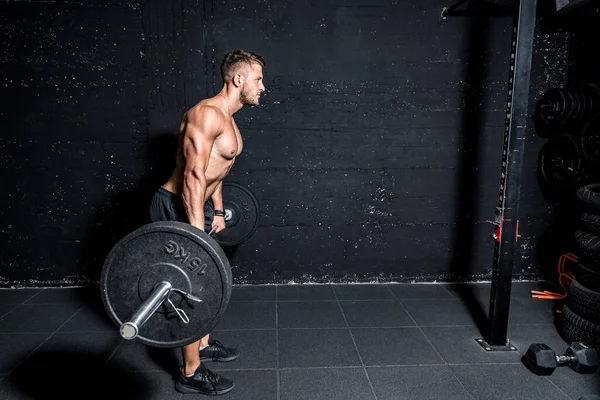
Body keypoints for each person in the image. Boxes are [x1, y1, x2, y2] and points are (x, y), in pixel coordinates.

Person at [148, 49, 266, 396]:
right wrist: (196, 229)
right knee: (190, 287)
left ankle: (200, 345)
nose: (263, 86)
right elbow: (193, 174)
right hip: (176, 205)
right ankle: (190, 373)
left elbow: (218, 171)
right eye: (258, 79)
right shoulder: (206, 114)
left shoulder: (229, 118)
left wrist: (217, 209)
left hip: (197, 206)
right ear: (238, 79)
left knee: (210, 283)